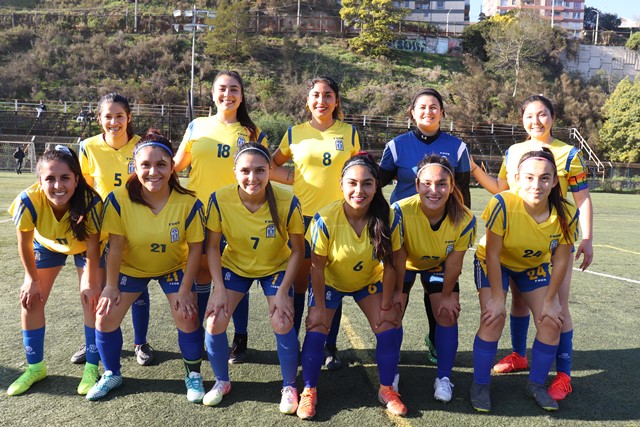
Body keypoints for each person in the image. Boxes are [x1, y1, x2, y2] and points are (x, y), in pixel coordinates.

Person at [471, 95, 593, 401]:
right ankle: (509, 361)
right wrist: (474, 169)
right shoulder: (513, 152)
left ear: (553, 117)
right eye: (529, 115)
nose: (536, 121)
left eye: (542, 115)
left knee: (556, 311)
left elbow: (582, 198)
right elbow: (502, 190)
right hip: (510, 238)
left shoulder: (568, 153)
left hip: (546, 243)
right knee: (507, 308)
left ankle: (561, 376)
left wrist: (587, 238)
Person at [86, 131, 205, 402]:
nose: (153, 171)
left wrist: (186, 289)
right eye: (145, 165)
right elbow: (115, 245)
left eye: (161, 164)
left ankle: (193, 375)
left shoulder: (189, 202)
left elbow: (196, 247)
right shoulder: (118, 199)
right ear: (135, 167)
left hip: (173, 266)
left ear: (172, 166)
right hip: (131, 267)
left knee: (187, 315)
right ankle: (112, 373)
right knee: (104, 317)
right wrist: (110, 286)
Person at [296, 153, 405, 420]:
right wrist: (319, 307)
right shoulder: (325, 218)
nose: (359, 190)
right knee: (317, 325)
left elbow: (391, 264)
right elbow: (317, 268)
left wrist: (389, 301)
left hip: (366, 283)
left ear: (377, 186)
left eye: (367, 183)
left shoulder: (388, 217)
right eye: (352, 183)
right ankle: (309, 389)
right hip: (331, 282)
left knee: (389, 322)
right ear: (341, 184)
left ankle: (387, 388)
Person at [202, 143, 304, 413]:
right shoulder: (219, 198)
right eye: (245, 170)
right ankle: (222, 381)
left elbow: (298, 251)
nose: (252, 177)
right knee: (214, 321)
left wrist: (283, 291)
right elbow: (212, 247)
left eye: (260, 170)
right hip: (235, 266)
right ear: (234, 171)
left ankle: (290, 386)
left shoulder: (287, 200)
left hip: (275, 267)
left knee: (282, 321)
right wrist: (219, 288)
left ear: (270, 170)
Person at [175, 70, 268, 364]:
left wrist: (303, 179)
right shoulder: (196, 126)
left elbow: (269, 170)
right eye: (222, 89)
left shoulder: (252, 132)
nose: (227, 94)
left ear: (242, 96)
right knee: (203, 276)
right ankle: (209, 335)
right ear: (212, 93)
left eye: (234, 89)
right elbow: (176, 165)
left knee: (236, 276)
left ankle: (240, 340)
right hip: (201, 214)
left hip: (239, 214)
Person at [271, 76, 360, 370]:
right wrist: (293, 178)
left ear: (337, 101)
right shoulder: (295, 133)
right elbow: (272, 165)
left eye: (328, 95)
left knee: (331, 284)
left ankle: (328, 346)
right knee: (299, 284)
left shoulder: (349, 133)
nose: (321, 101)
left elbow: (358, 171)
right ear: (307, 101)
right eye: (316, 95)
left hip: (339, 219)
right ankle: (293, 343)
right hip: (302, 219)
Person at [379, 88, 472, 365]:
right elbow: (377, 183)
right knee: (398, 296)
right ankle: (394, 346)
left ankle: (434, 341)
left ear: (442, 112)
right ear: (412, 112)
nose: (428, 112)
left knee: (439, 297)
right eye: (422, 107)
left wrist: (457, 228)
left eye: (434, 107)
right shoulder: (397, 145)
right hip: (404, 236)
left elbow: (462, 191)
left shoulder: (457, 147)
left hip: (439, 232)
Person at [7, 145, 103, 396]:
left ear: (76, 179)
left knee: (91, 300)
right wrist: (31, 279)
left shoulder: (91, 201)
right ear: (40, 180)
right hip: (47, 245)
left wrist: (91, 282)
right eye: (50, 178)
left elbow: (93, 247)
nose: (58, 185)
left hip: (84, 249)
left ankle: (92, 367)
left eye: (65, 178)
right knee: (30, 301)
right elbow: (24, 243)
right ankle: (35, 367)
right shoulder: (28, 201)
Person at [76, 93, 154, 367]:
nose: (114, 122)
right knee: (95, 289)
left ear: (129, 118)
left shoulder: (142, 146)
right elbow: (82, 188)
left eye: (119, 116)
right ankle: (93, 343)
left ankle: (140, 342)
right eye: (108, 116)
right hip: (98, 231)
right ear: (99, 119)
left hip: (134, 228)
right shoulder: (88, 147)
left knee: (136, 288)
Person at [392, 154, 476, 403]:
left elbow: (454, 263)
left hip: (438, 265)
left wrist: (447, 297)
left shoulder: (465, 218)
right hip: (405, 264)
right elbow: (398, 257)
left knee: (447, 313)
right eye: (427, 183)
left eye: (441, 184)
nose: (434, 190)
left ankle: (444, 377)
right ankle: (391, 373)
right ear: (417, 184)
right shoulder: (399, 211)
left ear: (452, 187)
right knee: (392, 312)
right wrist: (398, 292)